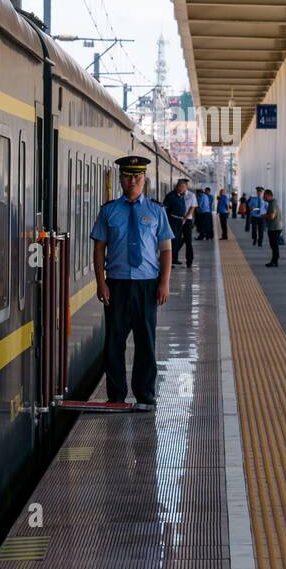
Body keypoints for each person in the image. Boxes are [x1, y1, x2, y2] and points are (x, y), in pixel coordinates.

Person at [92, 156, 173, 410]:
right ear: (120, 178)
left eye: (137, 176)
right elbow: (99, 249)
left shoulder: (156, 211)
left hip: (147, 285)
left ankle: (145, 395)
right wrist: (100, 282)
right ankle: (116, 395)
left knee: (145, 341)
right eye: (128, 176)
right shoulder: (109, 211)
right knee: (114, 341)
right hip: (116, 285)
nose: (133, 181)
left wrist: (164, 283)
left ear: (144, 178)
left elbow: (166, 250)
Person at [162, 178, 195, 267]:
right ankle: (172, 259)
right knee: (175, 239)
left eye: (183, 187)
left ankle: (188, 261)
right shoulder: (173, 196)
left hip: (186, 220)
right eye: (180, 186)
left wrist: (185, 218)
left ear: (186, 187)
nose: (181, 188)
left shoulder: (190, 195)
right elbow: (165, 208)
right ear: (177, 187)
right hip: (175, 220)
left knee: (187, 241)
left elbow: (192, 208)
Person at [262, 188, 285, 267]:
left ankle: (274, 261)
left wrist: (265, 216)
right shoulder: (272, 202)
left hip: (274, 227)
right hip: (275, 227)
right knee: (273, 245)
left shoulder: (272, 203)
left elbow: (272, 216)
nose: (263, 197)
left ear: (268, 195)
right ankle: (274, 260)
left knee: (274, 245)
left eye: (264, 195)